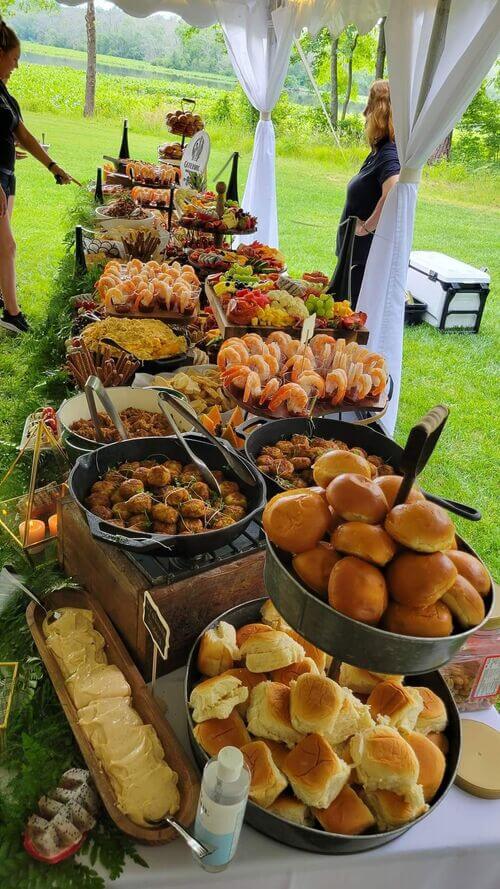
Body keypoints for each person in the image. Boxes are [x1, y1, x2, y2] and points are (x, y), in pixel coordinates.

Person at [0, 17, 74, 334]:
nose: (16, 66)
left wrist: (54, 167)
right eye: (14, 59)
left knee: (1, 246)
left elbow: (25, 136)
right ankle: (12, 315)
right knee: (8, 246)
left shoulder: (5, 94)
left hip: (7, 177)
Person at [336, 80, 400, 307]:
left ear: (381, 111)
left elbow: (393, 188)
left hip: (363, 257)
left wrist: (367, 226)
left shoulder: (389, 153)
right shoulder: (378, 151)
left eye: (370, 105)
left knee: (351, 316)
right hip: (352, 255)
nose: (365, 113)